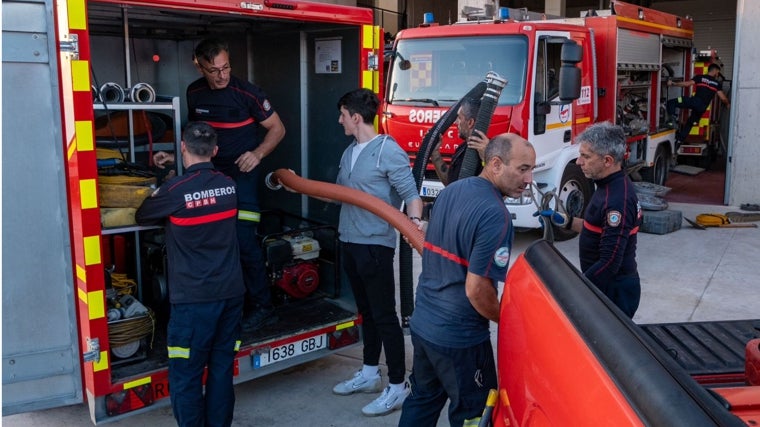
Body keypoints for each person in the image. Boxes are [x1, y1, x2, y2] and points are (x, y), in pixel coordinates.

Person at [399, 133, 537, 427]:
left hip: (424, 325)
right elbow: (477, 290)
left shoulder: (452, 191)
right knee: (475, 415)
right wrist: (511, 323)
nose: (529, 179)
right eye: (523, 169)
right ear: (496, 164)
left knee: (422, 401)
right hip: (459, 339)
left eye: (531, 169)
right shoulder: (495, 215)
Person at [154, 38, 286, 331]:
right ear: (198, 66)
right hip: (209, 175)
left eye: (226, 67)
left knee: (243, 240)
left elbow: (278, 128)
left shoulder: (247, 93)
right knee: (209, 240)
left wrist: (258, 153)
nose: (222, 75)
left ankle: (264, 306)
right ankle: (227, 307)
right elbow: (197, 136)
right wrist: (177, 159)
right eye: (214, 70)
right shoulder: (195, 92)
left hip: (242, 176)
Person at [136, 122, 245, 427]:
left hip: (193, 301)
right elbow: (204, 190)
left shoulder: (174, 191)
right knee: (222, 369)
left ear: (182, 147)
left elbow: (143, 214)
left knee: (186, 374)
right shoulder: (229, 187)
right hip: (231, 295)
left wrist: (164, 181)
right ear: (216, 151)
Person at [325, 88, 423, 417]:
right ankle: (369, 373)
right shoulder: (350, 151)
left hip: (376, 245)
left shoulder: (386, 152)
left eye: (343, 115)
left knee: (384, 316)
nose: (340, 121)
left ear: (356, 117)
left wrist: (415, 225)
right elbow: (343, 193)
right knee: (365, 312)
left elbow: (412, 196)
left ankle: (397, 385)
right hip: (350, 240)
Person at [562, 122, 642, 318]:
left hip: (614, 291)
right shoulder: (607, 186)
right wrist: (566, 221)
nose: (579, 162)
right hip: (605, 285)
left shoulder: (617, 201)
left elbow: (610, 262)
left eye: (585, 157)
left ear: (607, 160)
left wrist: (577, 290)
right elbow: (597, 229)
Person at [429, 97, 489, 186]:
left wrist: (486, 158)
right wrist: (435, 154)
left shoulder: (491, 152)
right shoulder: (461, 149)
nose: (456, 122)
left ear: (470, 123)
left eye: (459, 118)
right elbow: (451, 184)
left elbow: (497, 186)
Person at [666, 63, 730, 143]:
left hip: (693, 102)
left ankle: (672, 121)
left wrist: (673, 83)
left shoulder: (700, 77)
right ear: (715, 71)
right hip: (701, 108)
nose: (718, 75)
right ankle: (679, 140)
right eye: (718, 73)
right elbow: (723, 98)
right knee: (690, 123)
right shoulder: (717, 84)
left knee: (672, 102)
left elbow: (687, 84)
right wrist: (727, 105)